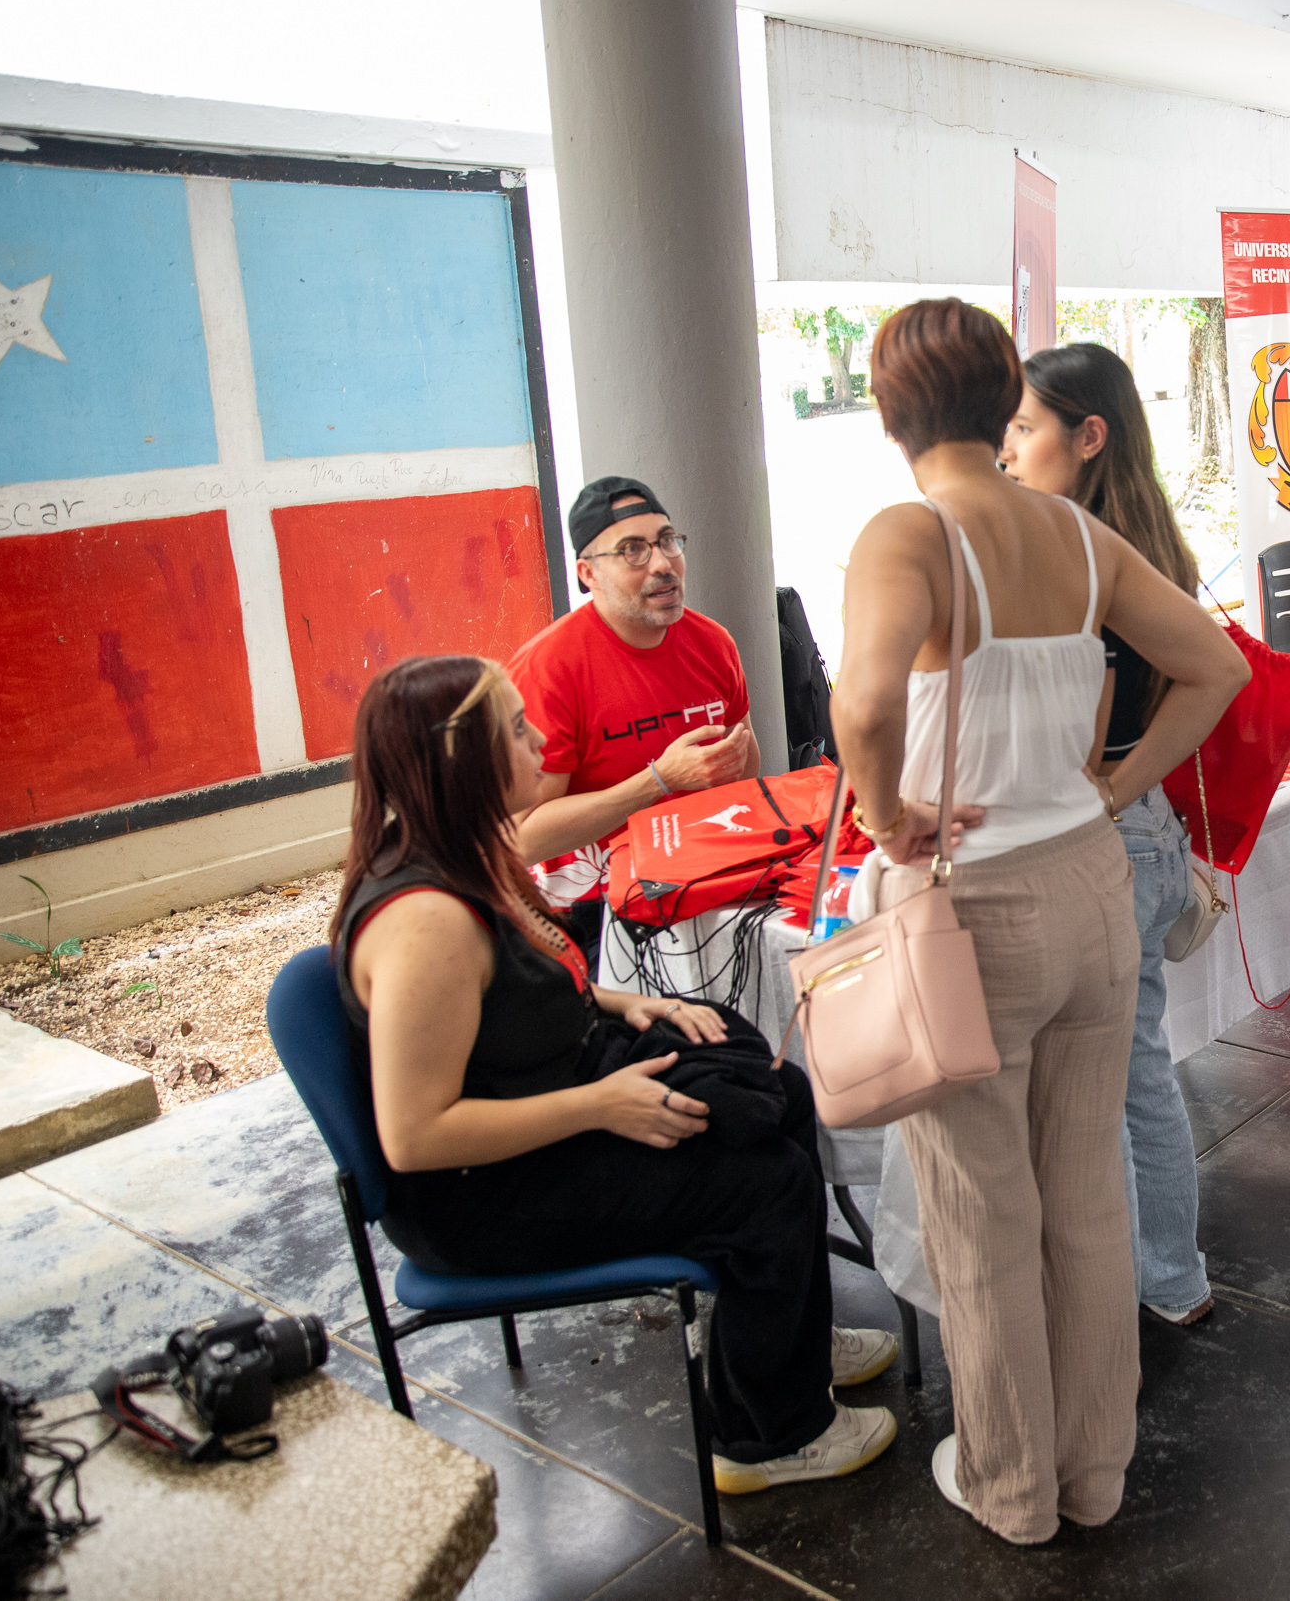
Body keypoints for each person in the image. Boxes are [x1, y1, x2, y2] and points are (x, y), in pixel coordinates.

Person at [834, 300, 1246, 1543]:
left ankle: (1012, 1487)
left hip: (974, 909)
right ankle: (1094, 1469)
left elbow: (862, 706)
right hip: (1089, 886)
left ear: (890, 408)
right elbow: (1216, 666)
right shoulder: (1075, 534)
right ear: (1000, 394)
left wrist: (886, 809)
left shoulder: (908, 531)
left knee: (984, 1210)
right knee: (1083, 1187)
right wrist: (1114, 786)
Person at [333, 655, 899, 1494]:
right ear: (462, 762)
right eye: (518, 731)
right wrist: (600, 1105)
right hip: (484, 1192)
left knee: (777, 1087)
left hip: (552, 1096)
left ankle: (789, 1341)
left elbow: (508, 993)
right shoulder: (423, 923)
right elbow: (416, 1137)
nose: (538, 744)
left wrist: (619, 1000)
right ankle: (770, 1433)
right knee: (763, 1181)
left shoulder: (456, 852)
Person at [1001, 339, 1217, 1329]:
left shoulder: (1082, 557)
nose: (1007, 451)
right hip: (1145, 833)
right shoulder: (1134, 541)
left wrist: (1111, 791)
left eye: (1023, 427)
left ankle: (1165, 1280)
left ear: (1088, 437)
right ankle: (1162, 1273)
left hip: (1117, 841)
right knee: (1134, 1073)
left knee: (1125, 1084)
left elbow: (1219, 675)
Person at [507, 476, 759, 978]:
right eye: (633, 550)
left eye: (668, 541)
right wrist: (659, 780)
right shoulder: (548, 669)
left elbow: (747, 776)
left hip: (704, 884)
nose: (663, 563)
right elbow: (522, 838)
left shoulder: (713, 644)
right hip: (587, 915)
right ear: (588, 574)